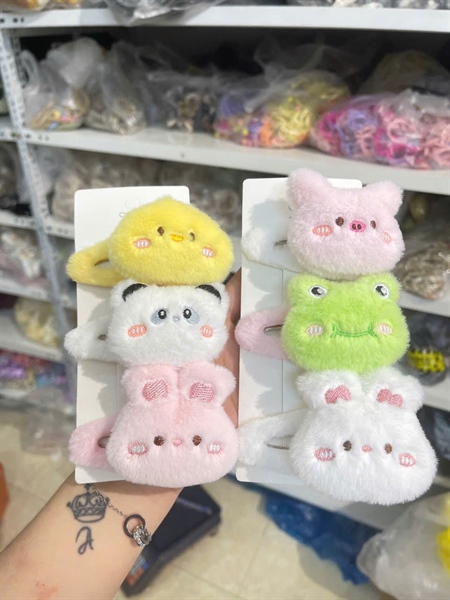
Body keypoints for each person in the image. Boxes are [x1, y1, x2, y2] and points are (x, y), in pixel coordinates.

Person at [0, 271, 241, 600]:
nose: (173, 321)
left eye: (187, 314)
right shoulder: (146, 378)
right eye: (159, 315)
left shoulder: (193, 376)